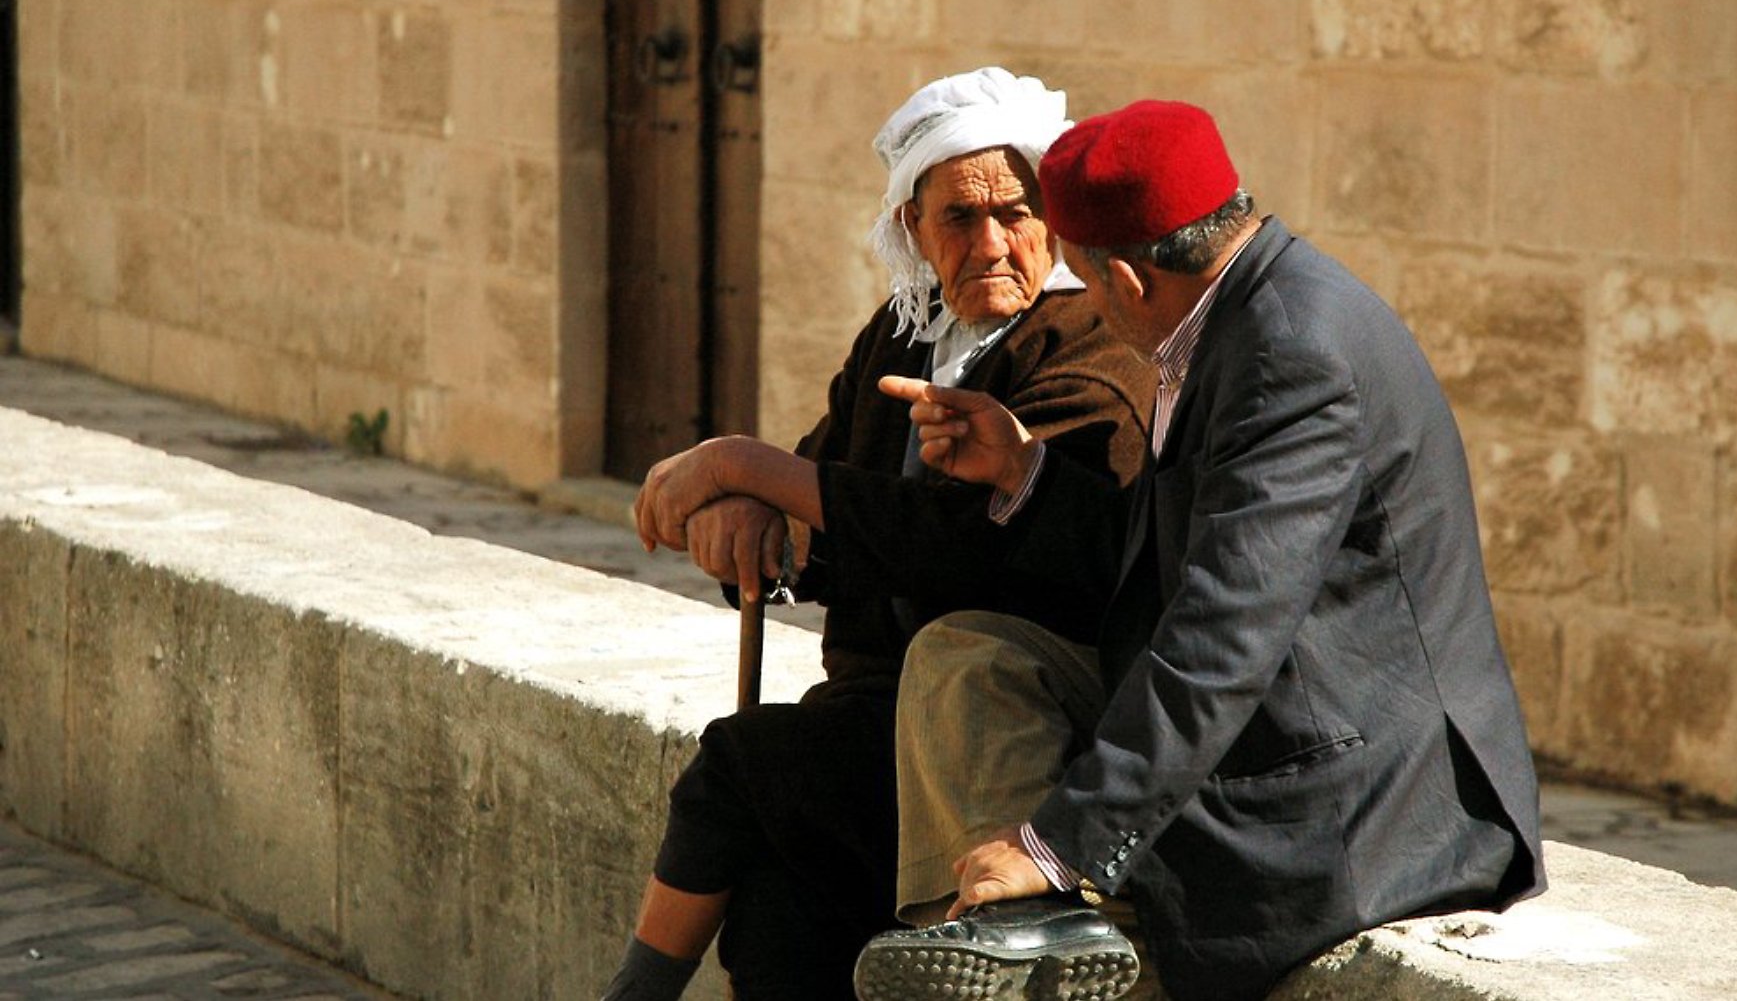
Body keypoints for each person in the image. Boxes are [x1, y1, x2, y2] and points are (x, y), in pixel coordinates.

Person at [859, 99, 1547, 1001]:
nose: (1090, 309)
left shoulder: (1291, 352)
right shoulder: (1228, 315)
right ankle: (1016, 930)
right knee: (969, 658)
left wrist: (1059, 839)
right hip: (1276, 719)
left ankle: (1045, 927)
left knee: (1119, 893)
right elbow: (1166, 547)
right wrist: (1025, 470)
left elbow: (1224, 634)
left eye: (1087, 286)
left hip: (1366, 796)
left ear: (1130, 284)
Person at [605, 68, 1155, 1000]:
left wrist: (745, 463)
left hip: (999, 732)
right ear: (912, 228)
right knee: (777, 919)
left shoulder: (1087, 346)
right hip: (874, 709)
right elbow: (832, 484)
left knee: (739, 767)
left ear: (1051, 221)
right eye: (958, 220)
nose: (991, 244)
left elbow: (952, 540)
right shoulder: (902, 337)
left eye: (1016, 214)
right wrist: (758, 519)